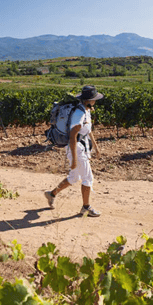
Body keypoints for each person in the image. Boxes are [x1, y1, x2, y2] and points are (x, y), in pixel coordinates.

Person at [44, 85, 103, 216]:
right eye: (94, 99)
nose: (95, 101)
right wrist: (74, 160)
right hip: (77, 148)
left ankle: (51, 194)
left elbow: (87, 130)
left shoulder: (86, 110)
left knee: (74, 177)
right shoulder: (79, 114)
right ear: (88, 100)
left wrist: (96, 147)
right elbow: (72, 136)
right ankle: (86, 207)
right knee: (88, 178)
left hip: (82, 147)